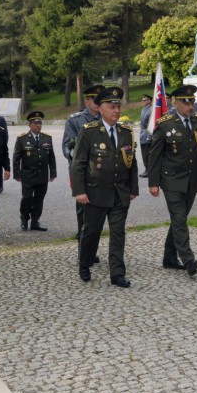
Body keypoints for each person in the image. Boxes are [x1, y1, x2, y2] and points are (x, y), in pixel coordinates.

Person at [72, 87, 139, 288]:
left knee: (118, 233)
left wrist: (133, 188)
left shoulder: (126, 132)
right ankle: (84, 264)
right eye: (112, 107)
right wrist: (79, 191)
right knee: (91, 231)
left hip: (120, 193)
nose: (116, 111)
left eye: (118, 106)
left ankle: (117, 274)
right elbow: (79, 163)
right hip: (95, 192)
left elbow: (131, 162)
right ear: (101, 109)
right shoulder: (89, 132)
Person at [148, 85, 197, 276]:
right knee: (179, 220)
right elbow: (155, 156)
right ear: (175, 103)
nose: (190, 105)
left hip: (192, 181)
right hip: (171, 181)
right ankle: (188, 260)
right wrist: (153, 182)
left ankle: (169, 258)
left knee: (179, 220)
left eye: (192, 101)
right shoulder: (165, 124)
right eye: (185, 102)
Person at [62, 84, 105, 241]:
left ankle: (92, 244)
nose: (98, 103)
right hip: (84, 172)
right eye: (95, 100)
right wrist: (80, 156)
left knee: (100, 211)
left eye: (101, 100)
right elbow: (67, 148)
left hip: (103, 173)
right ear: (87, 101)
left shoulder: (106, 119)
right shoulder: (75, 120)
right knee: (84, 210)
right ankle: (84, 246)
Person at [13, 111, 56, 231]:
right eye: (35, 123)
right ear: (30, 125)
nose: (38, 125)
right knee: (27, 198)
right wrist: (17, 174)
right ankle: (24, 218)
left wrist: (53, 173)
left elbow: (51, 157)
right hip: (27, 175)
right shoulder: (22, 138)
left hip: (42, 175)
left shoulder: (47, 138)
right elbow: (16, 157)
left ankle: (35, 221)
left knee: (39, 199)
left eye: (40, 123)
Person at [138, 94, 153, 177]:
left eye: (145, 100)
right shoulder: (144, 109)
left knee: (148, 153)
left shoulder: (151, 110)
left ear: (149, 101)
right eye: (143, 100)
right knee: (144, 153)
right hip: (143, 134)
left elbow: (151, 124)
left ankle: (149, 170)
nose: (143, 101)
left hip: (148, 133)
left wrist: (150, 136)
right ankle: (146, 169)